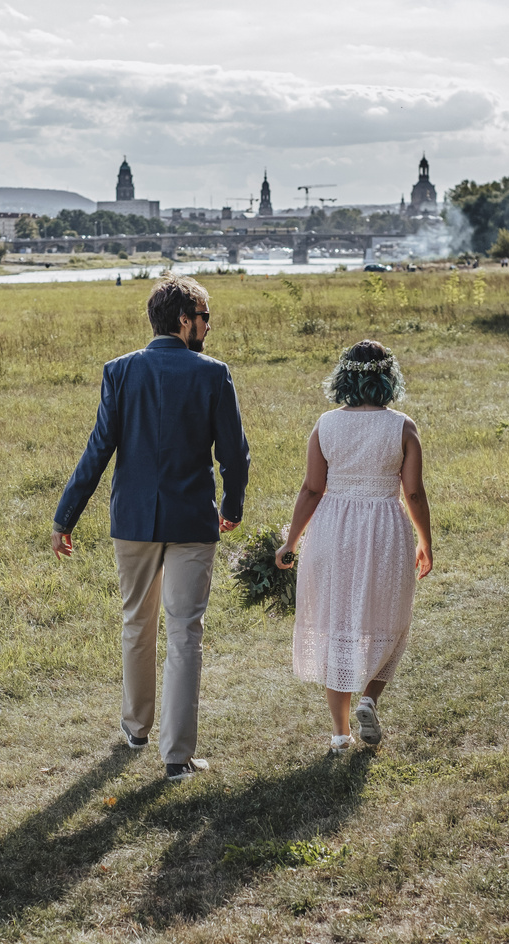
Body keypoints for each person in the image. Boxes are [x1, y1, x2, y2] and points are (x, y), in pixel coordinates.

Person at [52, 275, 251, 781]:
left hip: (133, 520)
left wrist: (65, 516)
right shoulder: (213, 374)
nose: (209, 325)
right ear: (185, 320)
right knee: (185, 633)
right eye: (205, 316)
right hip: (191, 519)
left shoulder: (119, 371)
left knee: (136, 624)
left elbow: (99, 448)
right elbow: (234, 453)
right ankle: (177, 757)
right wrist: (232, 504)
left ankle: (136, 728)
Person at [275, 340, 431, 750]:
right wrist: (425, 541)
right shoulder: (402, 426)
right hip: (384, 531)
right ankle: (369, 698)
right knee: (391, 621)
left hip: (332, 532)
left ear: (344, 377)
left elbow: (312, 488)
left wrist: (290, 542)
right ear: (387, 376)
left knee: (335, 626)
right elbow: (413, 494)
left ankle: (340, 735)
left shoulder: (326, 424)